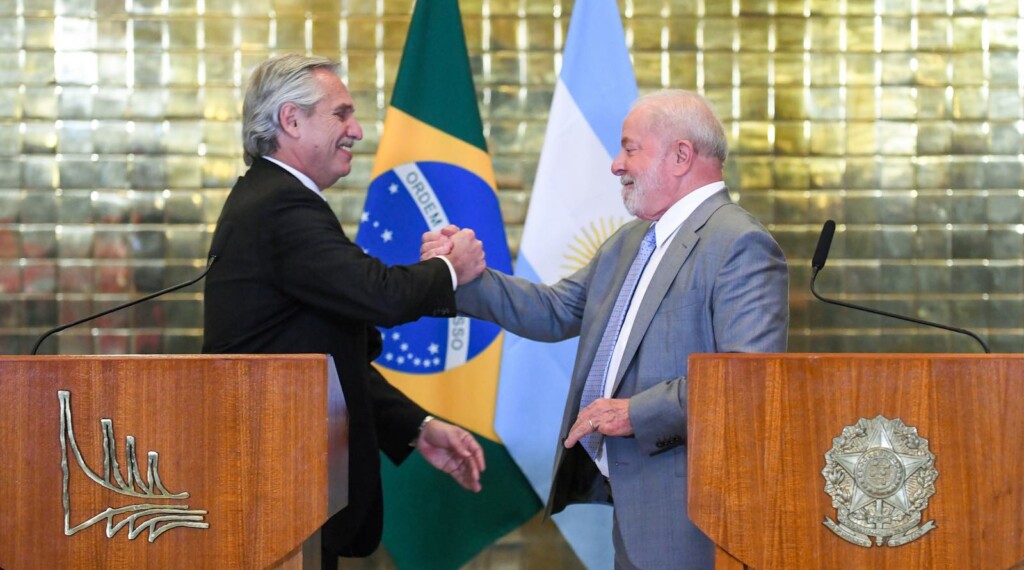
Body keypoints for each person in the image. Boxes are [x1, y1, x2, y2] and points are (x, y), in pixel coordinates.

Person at [423, 89, 789, 569]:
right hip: (633, 507)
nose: (616, 164)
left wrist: (636, 412)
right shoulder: (631, 240)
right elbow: (554, 310)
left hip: (696, 511)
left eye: (630, 147)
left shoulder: (739, 243)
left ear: (681, 156)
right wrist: (468, 278)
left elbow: (747, 380)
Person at [203, 54, 488, 567]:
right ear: (290, 120)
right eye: (341, 114)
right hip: (279, 496)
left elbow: (324, 360)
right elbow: (379, 293)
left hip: (294, 502)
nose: (356, 131)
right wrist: (451, 267)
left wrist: (417, 424)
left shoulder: (275, 198)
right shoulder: (280, 205)